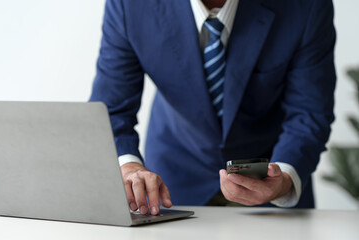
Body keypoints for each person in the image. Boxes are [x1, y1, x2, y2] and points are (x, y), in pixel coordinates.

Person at [90, 0, 336, 215]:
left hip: (273, 185)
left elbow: (308, 113)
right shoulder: (129, 5)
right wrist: (129, 166)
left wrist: (283, 178)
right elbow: (110, 110)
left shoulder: (306, 5)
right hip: (171, 185)